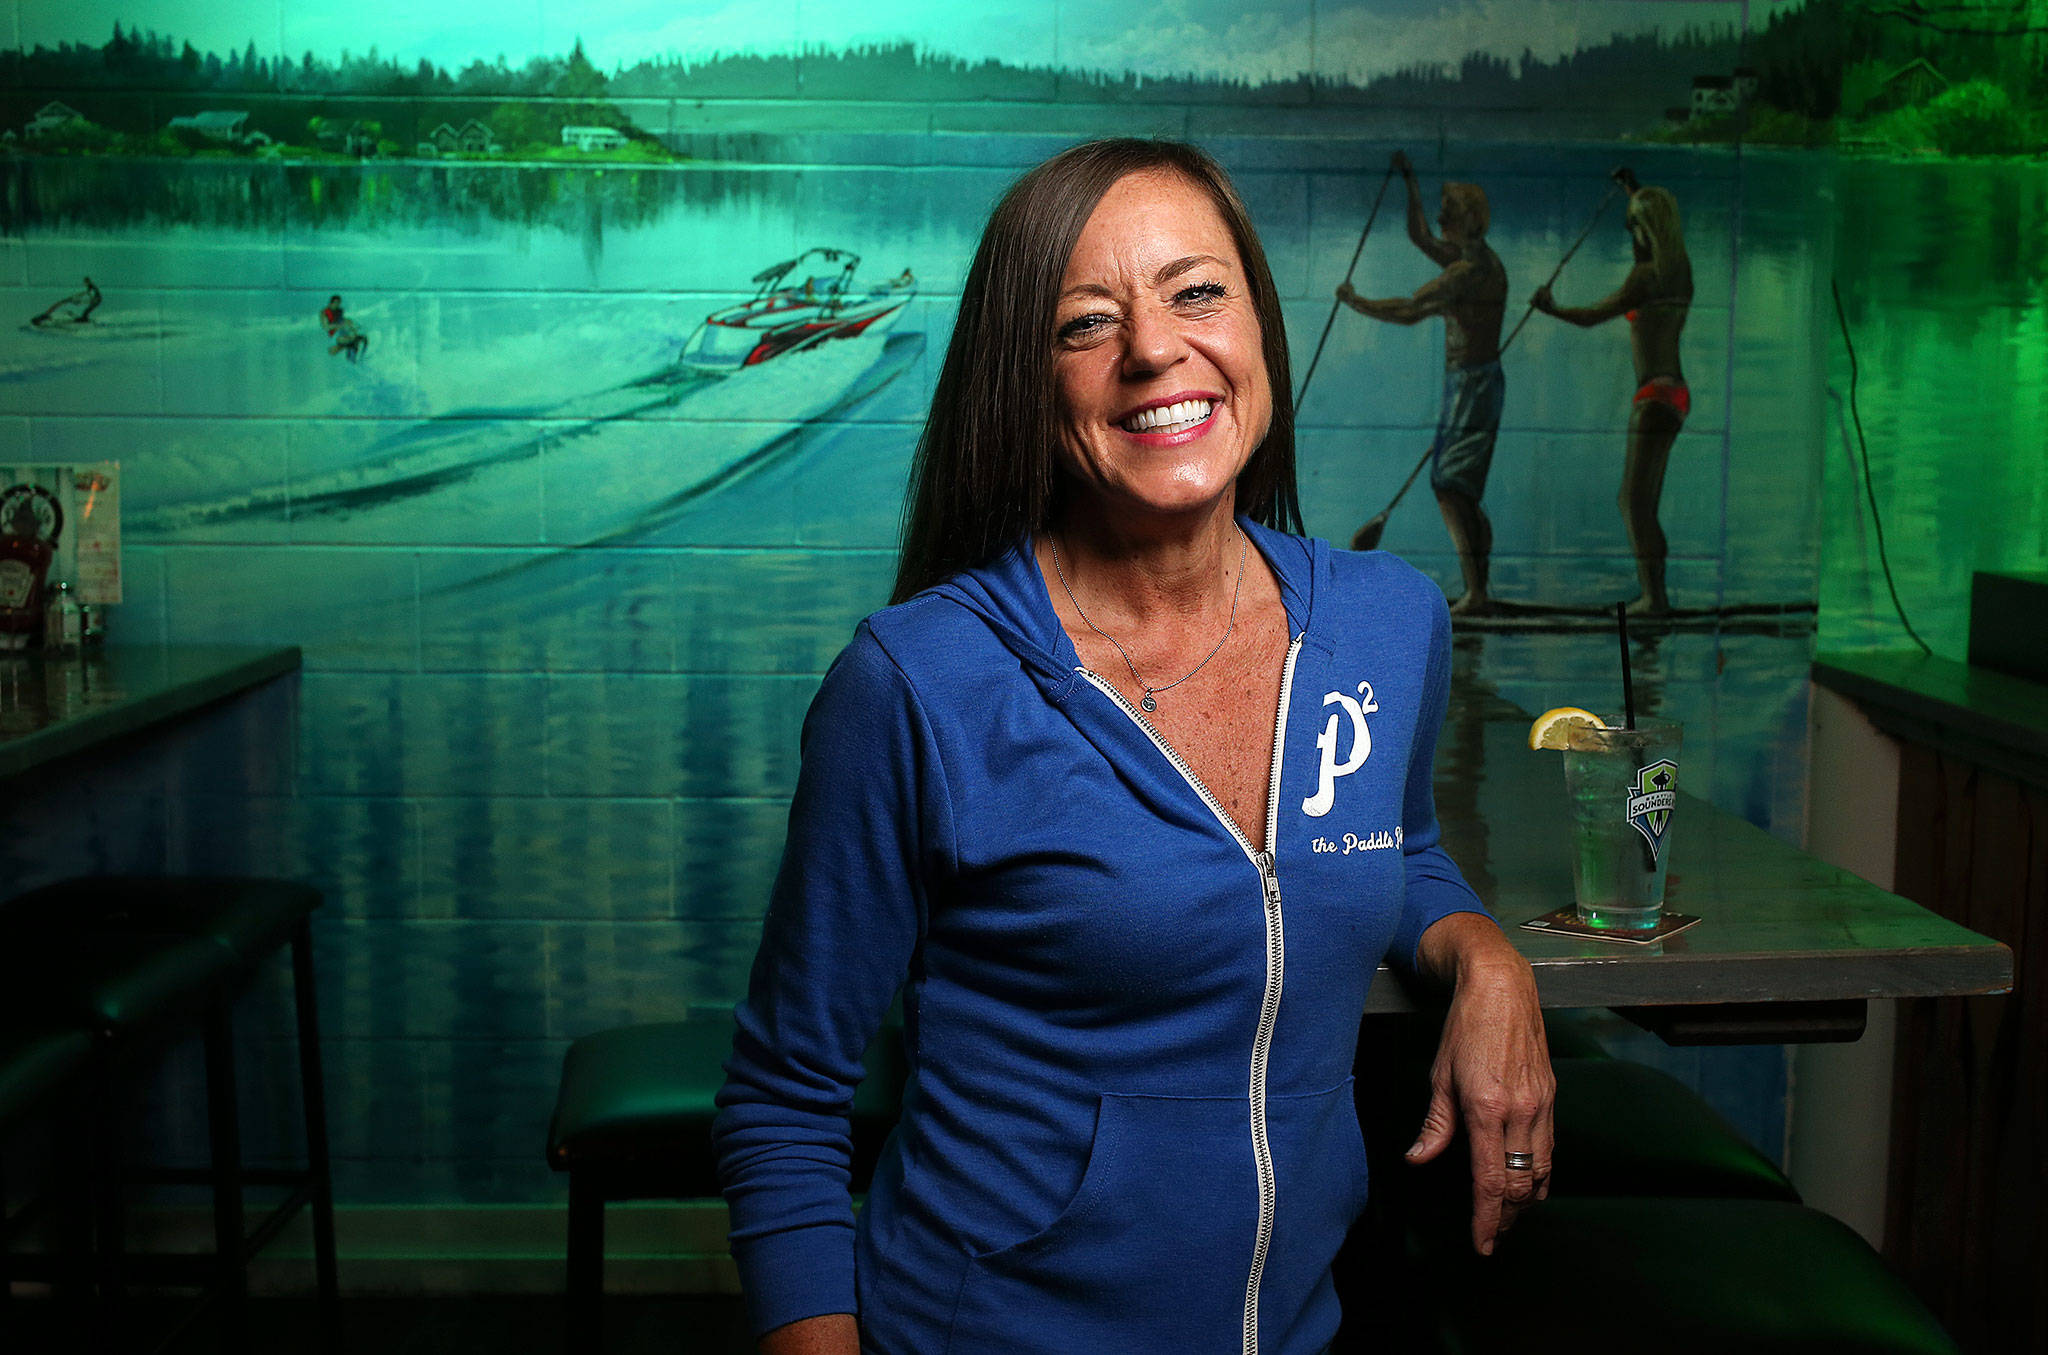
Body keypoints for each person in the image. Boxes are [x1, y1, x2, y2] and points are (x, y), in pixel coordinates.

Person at [714, 139, 1553, 1355]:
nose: (1154, 348)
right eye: (1084, 322)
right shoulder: (914, 687)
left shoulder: (1387, 624)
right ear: (1024, 380)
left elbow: (1392, 843)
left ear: (1256, 325)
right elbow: (783, 1102)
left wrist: (1485, 958)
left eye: (1195, 290)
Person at [1335, 151, 1507, 615]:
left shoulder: (1471, 272)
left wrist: (1356, 302)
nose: (1440, 216)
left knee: (1452, 486)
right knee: (1457, 486)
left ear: (1467, 221)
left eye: (1448, 211)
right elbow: (1419, 235)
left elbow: (1411, 310)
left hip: (1474, 388)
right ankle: (1480, 588)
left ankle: (1477, 593)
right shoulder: (1471, 258)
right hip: (1467, 387)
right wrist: (1409, 180)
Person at [1529, 173, 1692, 615]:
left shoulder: (1643, 277)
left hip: (1653, 396)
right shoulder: (1679, 271)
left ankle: (1653, 599)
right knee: (1646, 502)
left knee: (1633, 501)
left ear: (1647, 230)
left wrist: (1552, 308)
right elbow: (1653, 214)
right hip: (1676, 396)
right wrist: (1634, 188)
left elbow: (1592, 315)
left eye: (1632, 225)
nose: (1627, 232)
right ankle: (1657, 596)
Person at [31, 276, 101, 327]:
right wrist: (75, 297)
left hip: (96, 300)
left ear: (88, 281)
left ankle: (84, 320)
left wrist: (80, 301)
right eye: (85, 282)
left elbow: (91, 295)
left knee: (86, 310)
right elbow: (85, 293)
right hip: (94, 300)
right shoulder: (90, 287)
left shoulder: (92, 287)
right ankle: (84, 318)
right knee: (85, 310)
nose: (85, 283)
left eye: (86, 282)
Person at [320, 294, 368, 362]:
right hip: (335, 335)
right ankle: (350, 357)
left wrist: (353, 325)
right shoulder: (325, 312)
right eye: (336, 303)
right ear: (332, 302)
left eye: (339, 303)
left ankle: (358, 359)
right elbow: (326, 327)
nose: (337, 305)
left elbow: (343, 320)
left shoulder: (339, 311)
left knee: (362, 338)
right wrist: (338, 325)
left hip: (343, 332)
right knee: (352, 341)